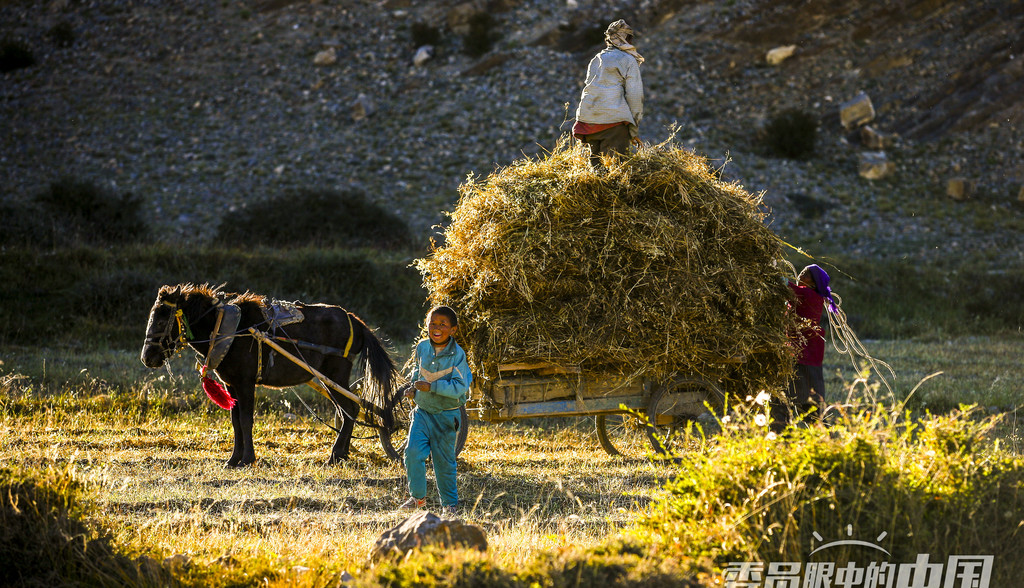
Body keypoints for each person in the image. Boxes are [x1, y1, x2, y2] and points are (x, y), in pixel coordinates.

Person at [400, 305, 472, 514]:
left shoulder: (458, 355)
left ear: (453, 330)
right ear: (427, 325)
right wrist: (413, 388)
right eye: (433, 323)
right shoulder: (422, 347)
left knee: (444, 462)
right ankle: (418, 498)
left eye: (443, 324)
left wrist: (432, 387)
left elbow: (460, 387)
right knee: (412, 452)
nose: (437, 328)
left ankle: (450, 505)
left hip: (446, 415)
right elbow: (417, 371)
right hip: (422, 412)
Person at [771, 264, 837, 432]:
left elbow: (786, 286)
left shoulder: (808, 294)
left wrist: (772, 270)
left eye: (806, 274)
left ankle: (782, 434)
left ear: (814, 284)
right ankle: (817, 435)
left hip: (803, 355)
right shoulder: (809, 295)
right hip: (803, 354)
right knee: (805, 400)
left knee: (792, 398)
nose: (801, 274)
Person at [572, 19, 645, 166]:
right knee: (617, 172)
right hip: (613, 124)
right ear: (627, 39)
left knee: (597, 173)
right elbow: (635, 96)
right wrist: (633, 130)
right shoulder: (628, 60)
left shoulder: (596, 59)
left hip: (588, 121)